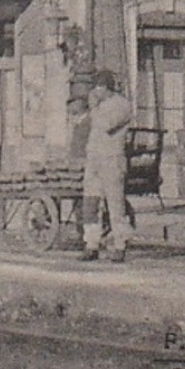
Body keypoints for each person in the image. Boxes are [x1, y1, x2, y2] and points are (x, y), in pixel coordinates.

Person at [80, 70, 135, 262]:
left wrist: (94, 108)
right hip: (94, 159)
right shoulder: (100, 105)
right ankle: (91, 243)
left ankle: (119, 245)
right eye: (95, 87)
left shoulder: (122, 105)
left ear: (108, 87)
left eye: (100, 86)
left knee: (115, 204)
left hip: (112, 159)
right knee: (90, 203)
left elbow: (106, 125)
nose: (96, 91)